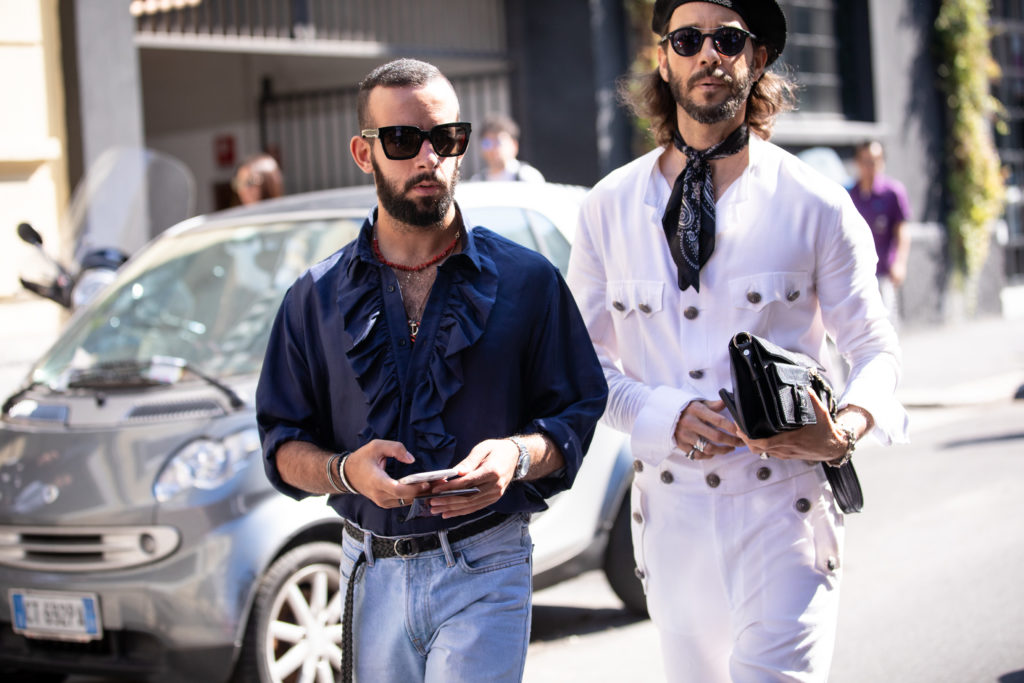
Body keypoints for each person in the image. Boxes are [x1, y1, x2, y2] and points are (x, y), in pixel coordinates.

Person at [566, 1, 909, 680]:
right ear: (664, 59)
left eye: (728, 39)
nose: (708, 55)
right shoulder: (607, 206)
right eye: (688, 39)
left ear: (755, 61)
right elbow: (583, 369)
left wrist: (844, 426)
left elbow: (875, 348)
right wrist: (660, 414)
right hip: (671, 520)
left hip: (785, 508)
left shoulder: (815, 203)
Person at [255, 58, 607, 683]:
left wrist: (516, 457)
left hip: (487, 562)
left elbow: (577, 410)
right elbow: (282, 445)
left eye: (445, 138)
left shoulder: (529, 282)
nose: (428, 158)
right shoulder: (312, 298)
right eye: (402, 140)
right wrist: (344, 472)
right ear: (364, 154)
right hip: (371, 570)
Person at [850, 140, 913, 322]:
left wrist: (900, 263)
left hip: (884, 273)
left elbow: (902, 230)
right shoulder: (848, 194)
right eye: (866, 160)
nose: (871, 166)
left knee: (885, 324)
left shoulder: (893, 193)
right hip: (856, 275)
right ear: (857, 163)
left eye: (876, 160)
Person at [470, 113, 546, 182]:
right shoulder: (477, 181)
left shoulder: (529, 177)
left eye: (498, 142)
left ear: (514, 145)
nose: (493, 149)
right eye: (487, 144)